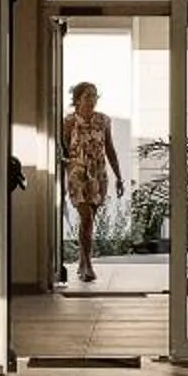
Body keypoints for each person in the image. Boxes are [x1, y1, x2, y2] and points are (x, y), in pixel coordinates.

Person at [59, 80, 122, 286]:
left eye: (95, 96)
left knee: (90, 220)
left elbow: (110, 148)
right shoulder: (69, 122)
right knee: (85, 218)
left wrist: (119, 177)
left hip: (98, 174)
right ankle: (87, 265)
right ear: (77, 100)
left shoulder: (103, 120)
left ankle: (82, 260)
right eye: (88, 96)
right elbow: (64, 150)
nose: (92, 100)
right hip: (78, 173)